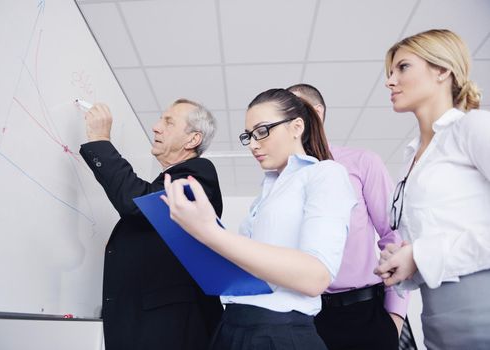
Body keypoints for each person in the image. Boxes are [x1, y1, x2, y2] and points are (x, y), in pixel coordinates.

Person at [162, 88, 357, 350]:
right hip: (231, 327)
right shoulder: (266, 191)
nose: (253, 144)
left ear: (296, 127)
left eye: (262, 131)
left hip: (277, 334)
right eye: (249, 136)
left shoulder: (325, 174)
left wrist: (211, 232)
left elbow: (315, 276)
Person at [374, 29, 490, 349]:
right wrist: (404, 258)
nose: (390, 81)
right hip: (436, 320)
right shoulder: (411, 157)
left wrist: (421, 254)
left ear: (442, 70)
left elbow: (434, 251)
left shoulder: (472, 128)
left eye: (403, 68)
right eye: (390, 72)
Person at [79, 99, 224, 350]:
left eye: (168, 122)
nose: (156, 127)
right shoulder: (166, 183)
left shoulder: (199, 171)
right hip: (148, 328)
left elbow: (136, 205)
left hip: (172, 331)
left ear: (192, 140)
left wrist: (101, 142)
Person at [286, 83, 409, 349]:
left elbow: (393, 235)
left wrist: (396, 315)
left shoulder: (362, 162)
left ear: (316, 113)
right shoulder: (285, 179)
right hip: (307, 316)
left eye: (291, 113)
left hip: (364, 313)